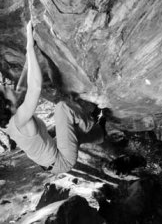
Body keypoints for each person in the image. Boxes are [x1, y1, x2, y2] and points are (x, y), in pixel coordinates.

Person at [0, 21, 103, 174]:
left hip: (51, 157)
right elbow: (35, 87)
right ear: (7, 105)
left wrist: (30, 53)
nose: (8, 85)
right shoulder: (18, 121)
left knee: (74, 133)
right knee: (62, 108)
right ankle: (91, 121)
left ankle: (100, 133)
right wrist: (29, 46)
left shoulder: (8, 118)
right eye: (5, 89)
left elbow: (23, 84)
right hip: (61, 161)